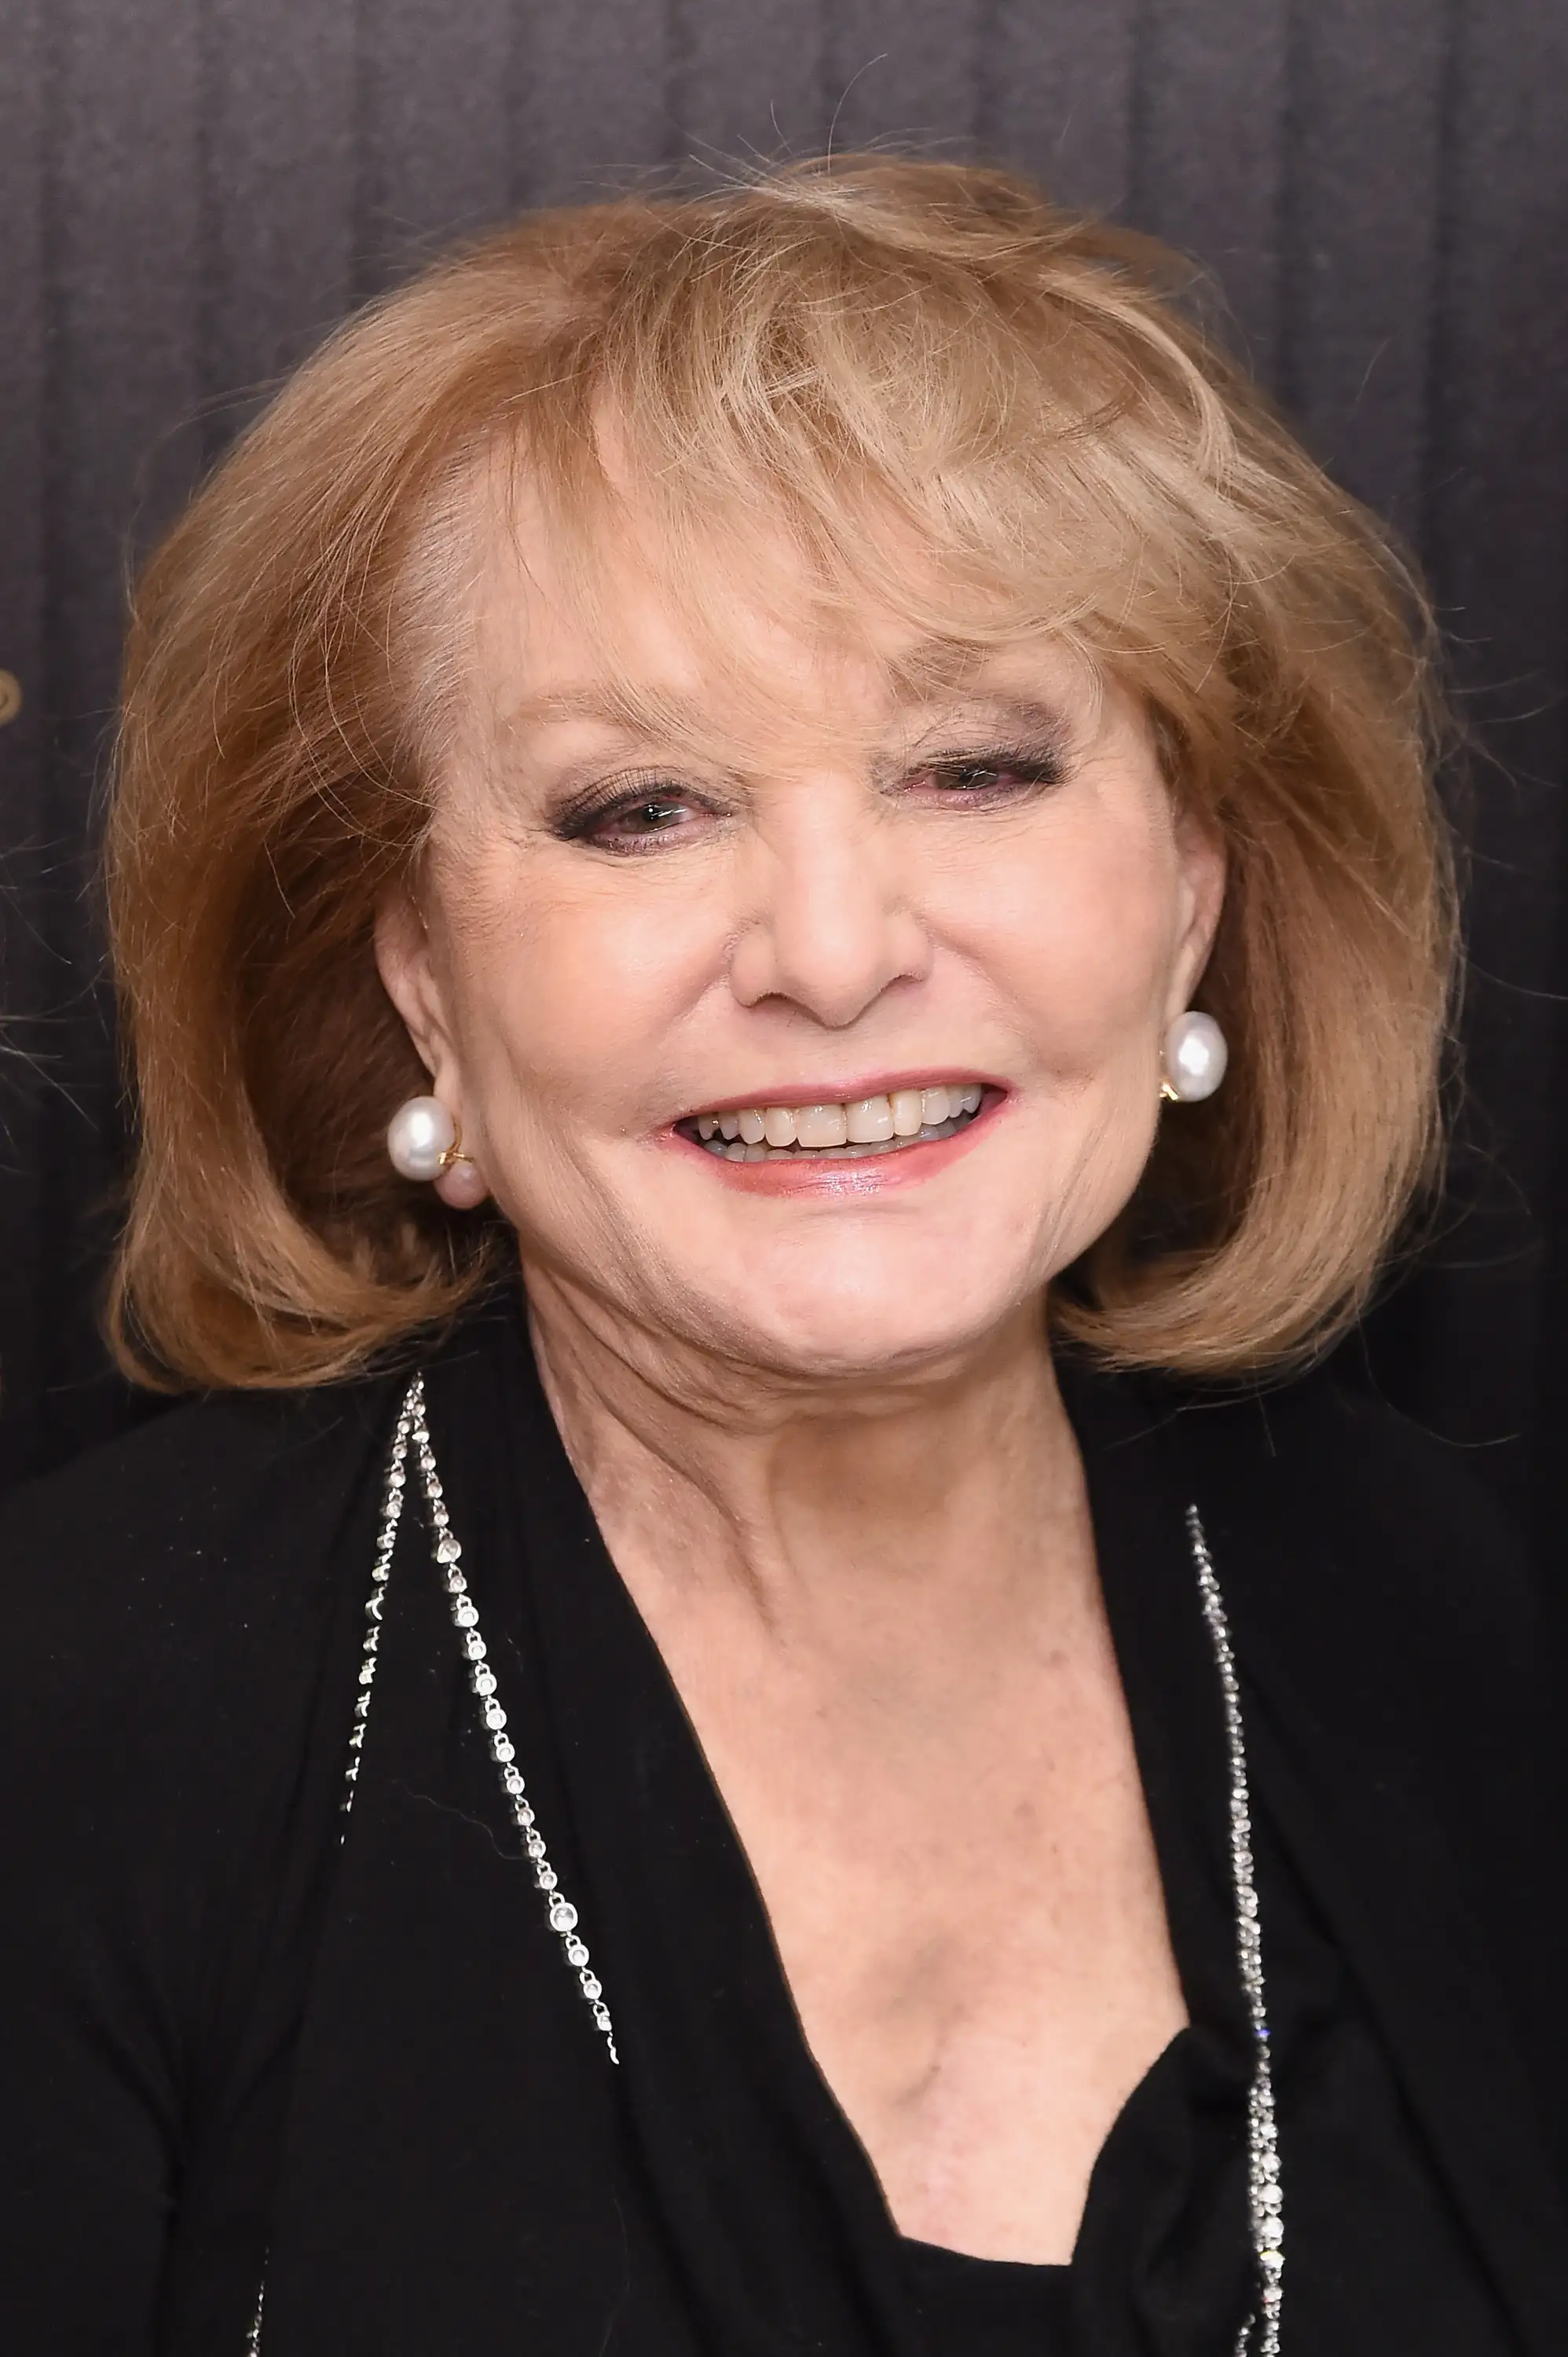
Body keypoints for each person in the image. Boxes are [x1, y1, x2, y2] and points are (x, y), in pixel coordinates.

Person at [1, 156, 1562, 2357]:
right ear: (424, 978)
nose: (832, 956)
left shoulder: (1418, 1600)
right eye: (640, 805)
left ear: (1192, 892)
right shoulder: (84, 1717)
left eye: (971, 765)